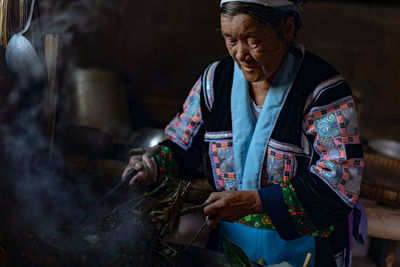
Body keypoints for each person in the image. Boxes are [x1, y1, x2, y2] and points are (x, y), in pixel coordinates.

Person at [122, 0, 366, 266]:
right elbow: (183, 147)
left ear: (287, 28)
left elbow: (339, 184)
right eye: (230, 39)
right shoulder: (215, 81)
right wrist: (153, 166)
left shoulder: (322, 90)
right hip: (229, 249)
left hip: (305, 253)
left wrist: (255, 202)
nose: (240, 53)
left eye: (252, 40)